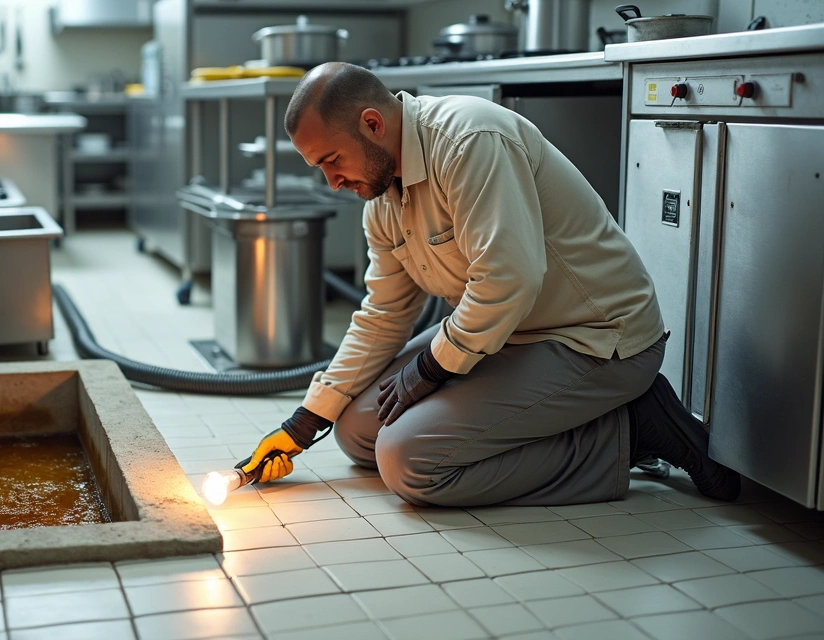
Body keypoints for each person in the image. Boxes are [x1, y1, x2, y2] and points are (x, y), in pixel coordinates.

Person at [239, 62, 740, 506]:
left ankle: (633, 430)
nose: (332, 182)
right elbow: (384, 314)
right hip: (504, 337)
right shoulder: (383, 203)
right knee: (357, 431)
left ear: (372, 123)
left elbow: (508, 279)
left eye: (332, 161)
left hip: (593, 339)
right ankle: (570, 419)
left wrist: (432, 367)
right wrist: (305, 422)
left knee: (409, 462)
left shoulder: (467, 141)